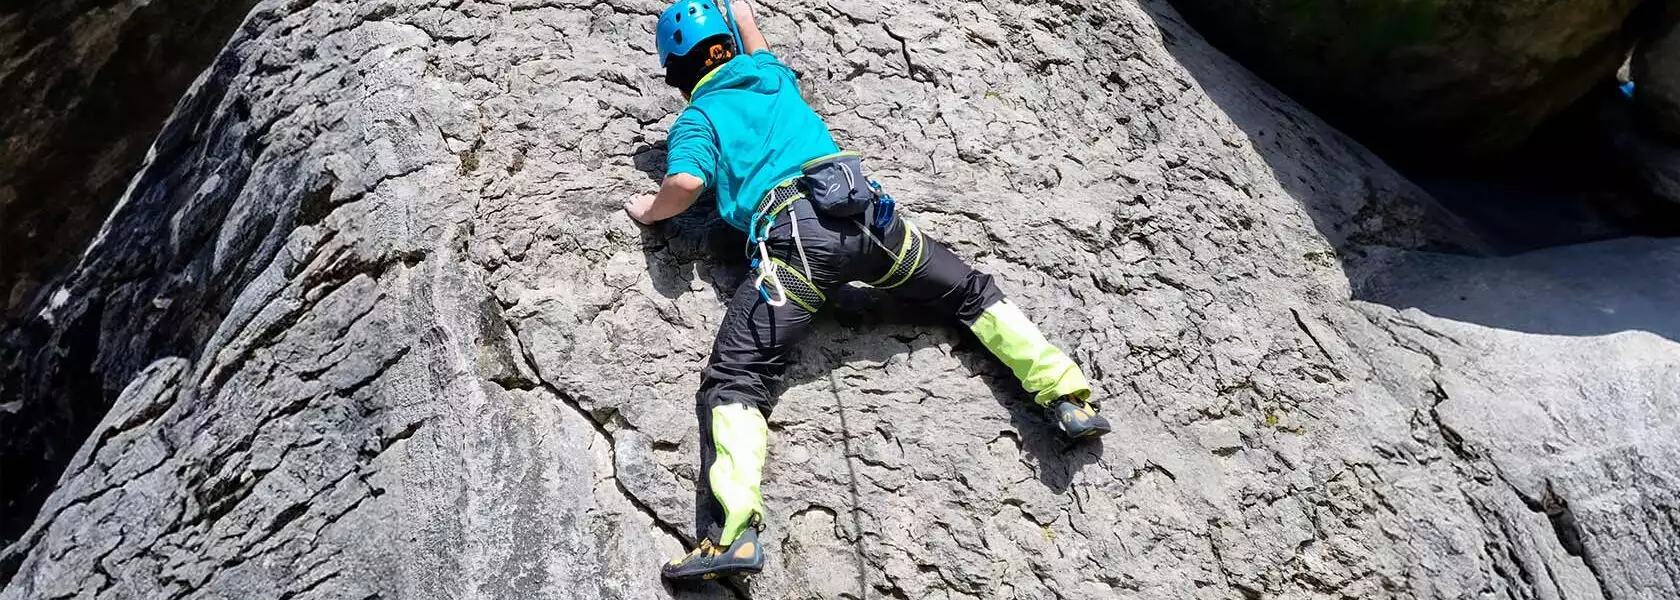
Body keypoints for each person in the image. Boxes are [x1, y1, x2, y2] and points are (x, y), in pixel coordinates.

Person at [627, 0, 1112, 582]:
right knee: (970, 292)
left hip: (798, 249)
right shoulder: (771, 77)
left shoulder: (699, 118)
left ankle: (732, 535)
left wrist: (651, 212)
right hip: (870, 221)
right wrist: (741, 11)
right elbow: (753, 38)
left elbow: (685, 181)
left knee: (737, 376)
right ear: (729, 44)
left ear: (678, 70)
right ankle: (1067, 398)